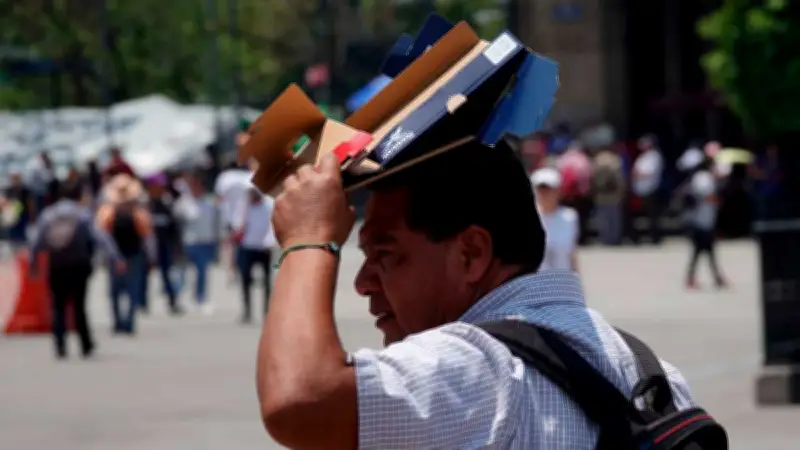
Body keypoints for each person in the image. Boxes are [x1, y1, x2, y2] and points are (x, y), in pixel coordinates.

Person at [255, 140, 698, 449]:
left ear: (470, 253)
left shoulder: (481, 368)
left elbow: (299, 399)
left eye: (386, 255)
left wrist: (308, 240)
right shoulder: (653, 372)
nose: (363, 282)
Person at [29, 184, 125, 359]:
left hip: (57, 265)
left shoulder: (48, 215)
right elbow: (99, 237)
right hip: (79, 265)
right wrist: (115, 256)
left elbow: (37, 242)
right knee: (80, 305)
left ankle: (60, 344)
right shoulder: (82, 214)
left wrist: (33, 264)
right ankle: (85, 344)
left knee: (58, 306)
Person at [96, 174, 156, 333]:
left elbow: (102, 237)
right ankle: (129, 322)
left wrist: (107, 256)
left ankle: (118, 322)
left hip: (115, 257)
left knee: (115, 291)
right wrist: (151, 257)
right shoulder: (138, 213)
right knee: (132, 290)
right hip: (134, 255)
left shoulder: (107, 212)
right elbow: (148, 238)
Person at [174, 170, 218, 315]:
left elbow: (217, 221)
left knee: (202, 272)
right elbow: (176, 223)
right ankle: (179, 297)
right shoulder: (183, 203)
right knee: (182, 272)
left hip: (206, 241)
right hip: (188, 241)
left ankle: (201, 298)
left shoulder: (210, 202)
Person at [232, 187, 276, 323]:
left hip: (263, 247)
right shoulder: (244, 205)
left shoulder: (268, 205)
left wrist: (269, 242)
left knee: (266, 280)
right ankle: (247, 311)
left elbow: (272, 226)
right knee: (245, 278)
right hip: (247, 246)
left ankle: (266, 311)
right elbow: (237, 222)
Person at [685, 158, 728, 289]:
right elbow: (705, 195)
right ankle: (716, 278)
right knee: (705, 251)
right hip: (701, 220)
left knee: (703, 252)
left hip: (705, 220)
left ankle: (713, 278)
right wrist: (717, 201)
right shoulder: (703, 178)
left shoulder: (702, 177)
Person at [144, 173, 183, 315]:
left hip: (165, 244)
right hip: (148, 246)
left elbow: (174, 225)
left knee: (168, 274)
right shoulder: (145, 204)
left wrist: (176, 245)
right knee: (144, 275)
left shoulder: (167, 202)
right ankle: (142, 303)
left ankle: (173, 301)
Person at [531, 167, 580, 271]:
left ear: (558, 191)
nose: (544, 194)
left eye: (548, 189)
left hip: (562, 282)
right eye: (540, 189)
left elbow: (572, 253)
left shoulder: (570, 217)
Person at [631, 134, 664, 244]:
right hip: (640, 190)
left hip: (650, 189)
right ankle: (639, 237)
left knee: (652, 216)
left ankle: (655, 237)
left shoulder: (654, 156)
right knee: (641, 216)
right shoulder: (643, 156)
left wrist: (637, 174)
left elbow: (648, 172)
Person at [2, 171, 36, 253]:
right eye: (14, 178)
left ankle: (22, 252)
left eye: (17, 178)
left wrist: (32, 216)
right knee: (12, 238)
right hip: (12, 217)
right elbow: (4, 202)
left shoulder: (25, 190)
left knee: (22, 237)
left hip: (23, 216)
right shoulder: (8, 190)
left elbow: (30, 203)